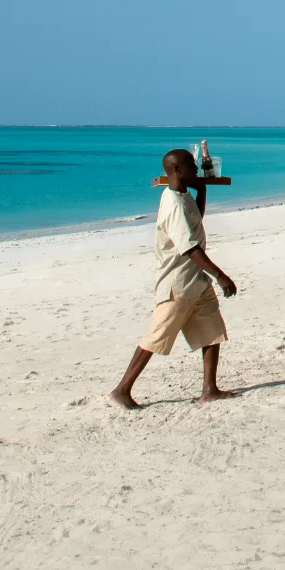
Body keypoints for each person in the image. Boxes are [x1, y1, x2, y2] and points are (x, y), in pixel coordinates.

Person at [110, 147, 238, 408]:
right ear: (177, 170)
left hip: (196, 282)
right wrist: (220, 275)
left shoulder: (184, 196)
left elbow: (195, 221)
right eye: (192, 165)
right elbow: (190, 248)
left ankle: (209, 389)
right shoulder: (172, 203)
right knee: (156, 336)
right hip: (177, 284)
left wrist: (202, 191)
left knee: (212, 331)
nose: (197, 169)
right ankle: (122, 390)